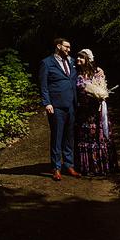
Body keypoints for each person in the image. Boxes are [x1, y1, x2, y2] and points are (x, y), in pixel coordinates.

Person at [74, 48, 118, 176]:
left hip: (95, 110)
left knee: (99, 135)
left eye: (81, 57)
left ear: (88, 59)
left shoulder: (97, 73)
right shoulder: (75, 73)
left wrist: (100, 94)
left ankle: (102, 166)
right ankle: (88, 167)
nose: (78, 60)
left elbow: (102, 87)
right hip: (84, 111)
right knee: (86, 136)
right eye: (77, 58)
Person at [39, 37, 78, 180]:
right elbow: (43, 85)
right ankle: (56, 168)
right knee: (57, 137)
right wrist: (47, 103)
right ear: (58, 46)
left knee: (69, 137)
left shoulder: (72, 62)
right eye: (66, 47)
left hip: (72, 105)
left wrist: (98, 70)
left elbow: (87, 67)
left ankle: (69, 165)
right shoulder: (47, 63)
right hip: (56, 107)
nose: (69, 49)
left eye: (69, 47)